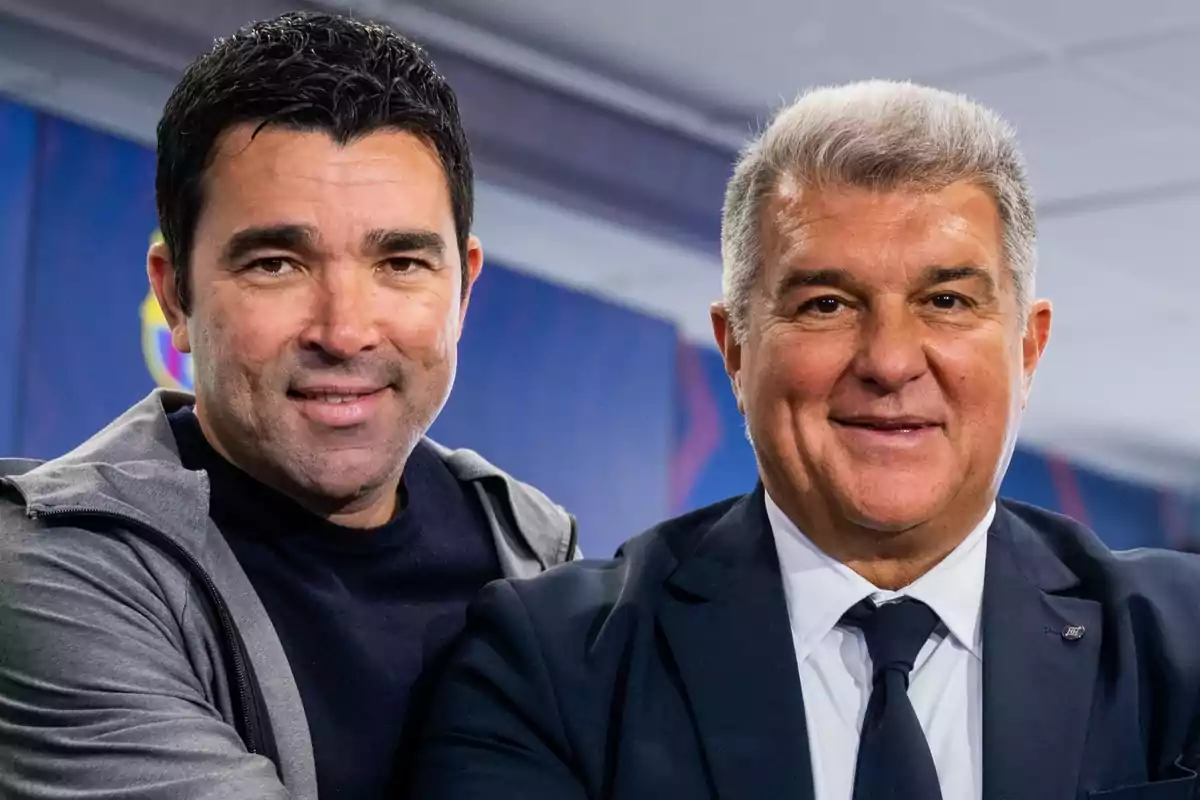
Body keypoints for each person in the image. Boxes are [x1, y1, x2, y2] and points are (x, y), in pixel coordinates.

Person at [409, 80, 1200, 800]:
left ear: (1027, 349)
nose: (889, 360)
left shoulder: (1184, 645)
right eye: (826, 304)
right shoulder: (550, 665)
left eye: (948, 300)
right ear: (737, 350)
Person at [0, 11, 579, 800]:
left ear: (463, 287)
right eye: (276, 263)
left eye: (401, 262)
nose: (344, 331)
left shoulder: (537, 557)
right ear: (175, 293)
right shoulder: (57, 573)